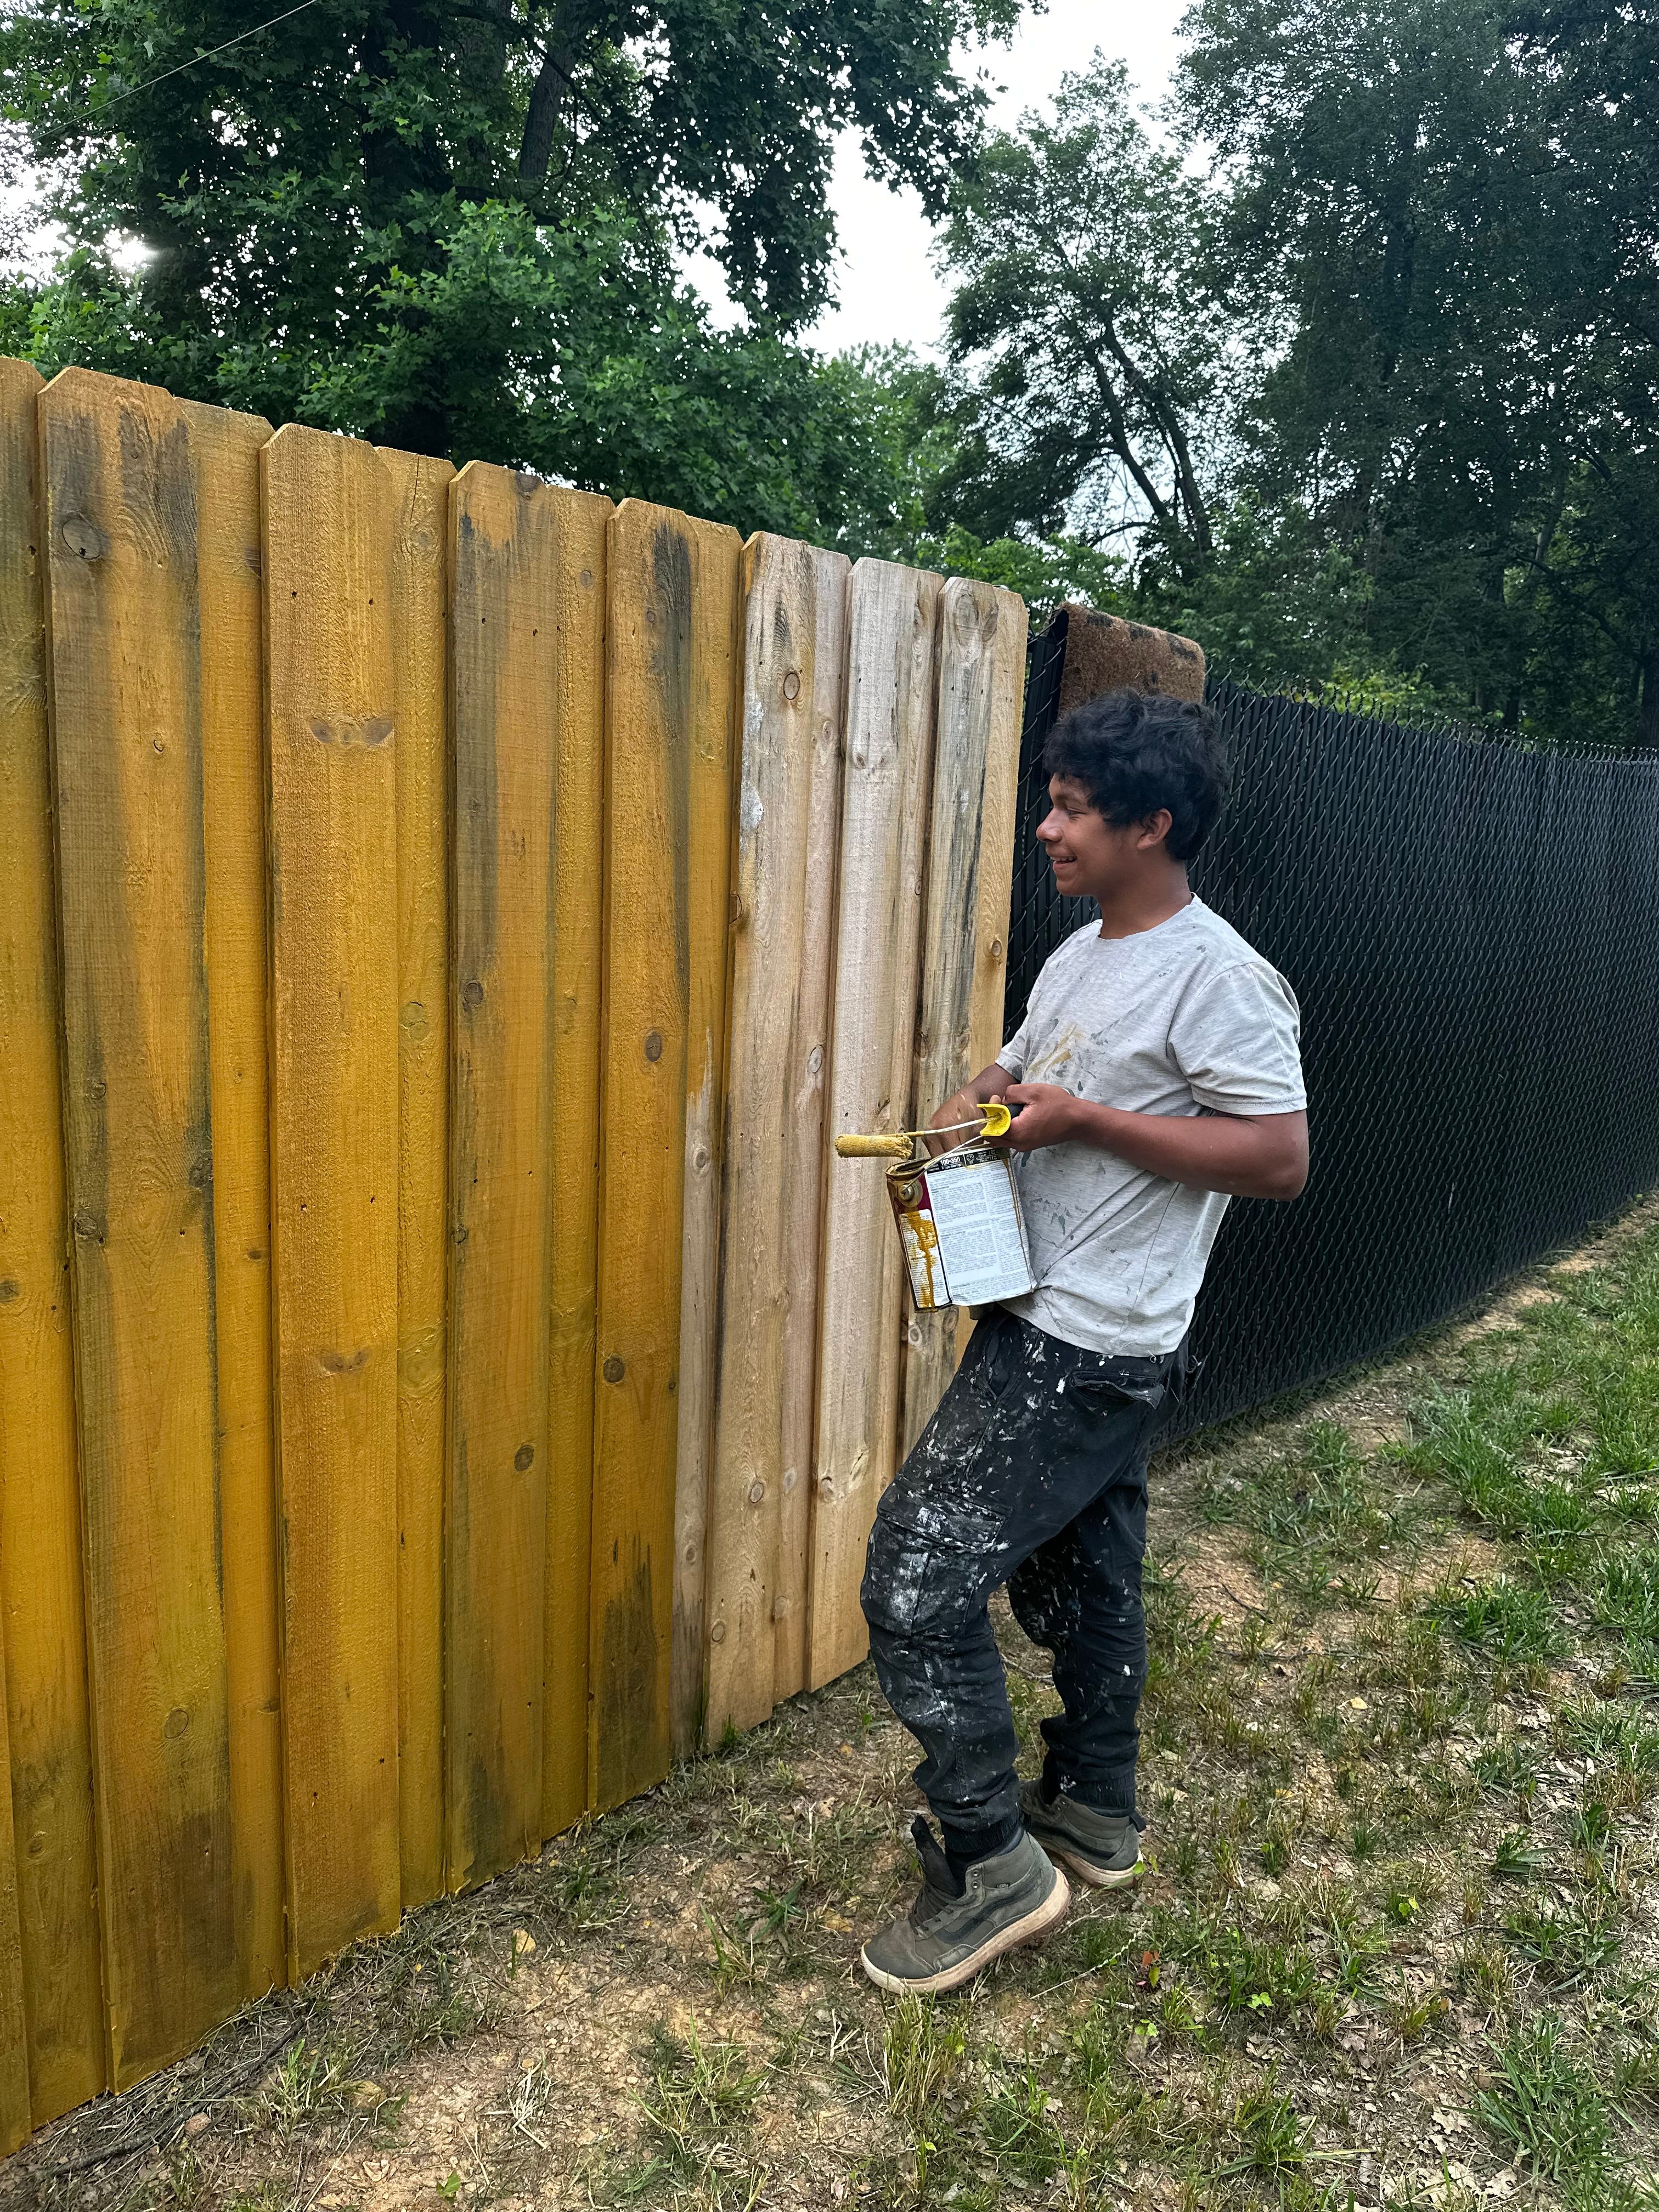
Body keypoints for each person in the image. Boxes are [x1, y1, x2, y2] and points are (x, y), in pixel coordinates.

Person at [857, 687, 1309, 1995]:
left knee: (914, 1581)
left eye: (1071, 808)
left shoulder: (1222, 977)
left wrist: (1088, 1125)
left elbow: (1277, 1157)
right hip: (1040, 1308)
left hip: (1087, 1339)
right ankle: (1096, 1812)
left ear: (1151, 824)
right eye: (1050, 801)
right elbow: (1026, 1075)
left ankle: (993, 1864)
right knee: (1085, 1580)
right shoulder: (1082, 952)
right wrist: (976, 1102)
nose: (1045, 827)